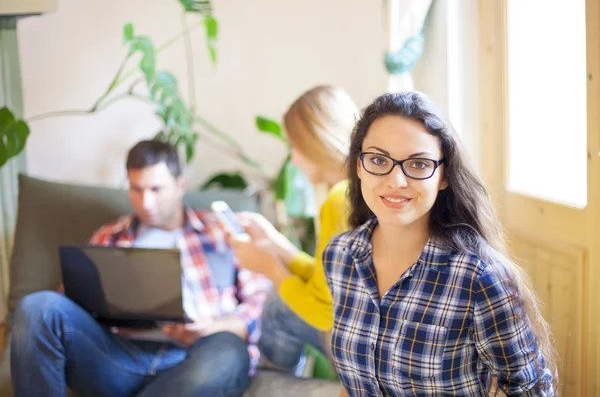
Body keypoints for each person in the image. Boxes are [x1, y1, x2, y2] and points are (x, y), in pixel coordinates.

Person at [322, 91, 557, 396]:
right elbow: (353, 382)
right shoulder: (339, 256)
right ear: (358, 166)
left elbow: (531, 390)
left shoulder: (478, 279)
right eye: (378, 160)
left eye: (418, 164)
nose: (396, 181)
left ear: (444, 175)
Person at [10, 140, 272, 397]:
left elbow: (261, 304)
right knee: (38, 307)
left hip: (198, 356)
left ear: (180, 186)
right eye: (136, 189)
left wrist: (212, 328)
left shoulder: (221, 232)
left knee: (228, 351)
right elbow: (68, 308)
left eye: (156, 189)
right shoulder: (109, 236)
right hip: (120, 359)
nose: (146, 202)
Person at [229, 85, 358, 371]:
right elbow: (333, 286)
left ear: (316, 143)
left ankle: (269, 386)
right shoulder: (361, 189)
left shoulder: (339, 200)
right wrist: (279, 248)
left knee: (277, 309)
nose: (293, 160)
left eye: (294, 147)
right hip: (380, 335)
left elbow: (325, 312)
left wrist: (271, 269)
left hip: (361, 347)